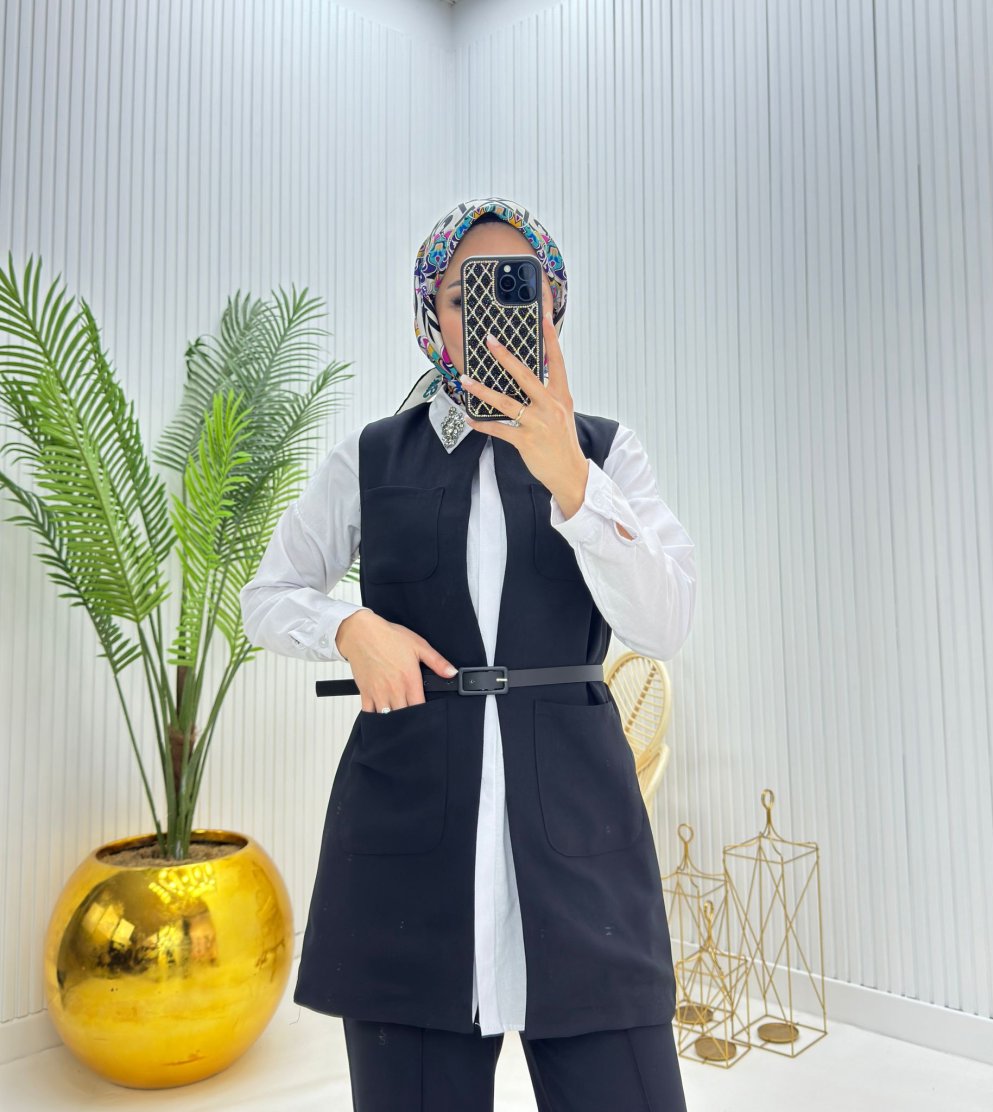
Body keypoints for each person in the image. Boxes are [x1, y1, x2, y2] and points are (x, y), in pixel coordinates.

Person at [240, 197, 695, 1111]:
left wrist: (573, 479)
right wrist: (349, 629)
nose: (487, 316)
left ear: (553, 308)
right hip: (405, 845)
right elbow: (268, 595)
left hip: (582, 841)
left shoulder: (609, 454)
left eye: (518, 290)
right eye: (463, 295)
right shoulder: (372, 456)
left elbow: (666, 621)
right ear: (431, 314)